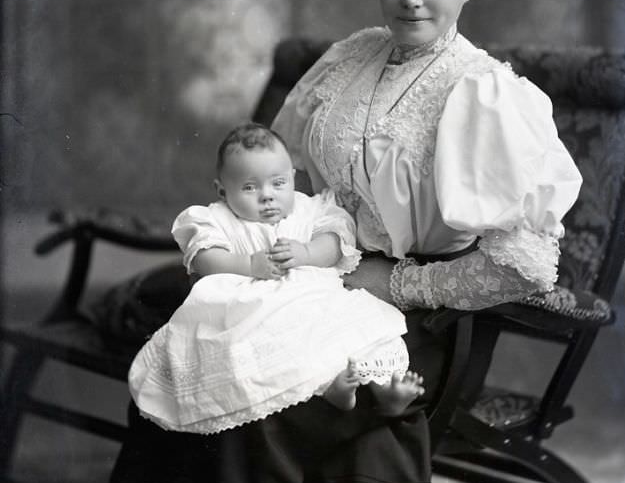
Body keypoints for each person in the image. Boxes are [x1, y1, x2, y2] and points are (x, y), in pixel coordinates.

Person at [89, 0, 582, 483]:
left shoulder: (483, 92)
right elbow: (292, 179)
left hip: (421, 321)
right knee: (199, 345)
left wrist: (396, 279)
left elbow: (526, 260)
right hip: (316, 279)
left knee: (254, 386)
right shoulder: (350, 55)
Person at [128, 122, 424, 434]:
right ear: (222, 191)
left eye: (278, 183)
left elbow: (336, 240)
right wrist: (247, 265)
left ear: (292, 180)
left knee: (359, 334)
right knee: (274, 355)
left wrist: (307, 253)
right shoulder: (215, 218)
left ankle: (384, 391)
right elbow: (202, 257)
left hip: (313, 298)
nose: (267, 196)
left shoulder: (309, 209)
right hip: (249, 310)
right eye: (249, 188)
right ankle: (330, 389)